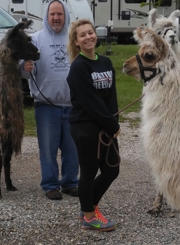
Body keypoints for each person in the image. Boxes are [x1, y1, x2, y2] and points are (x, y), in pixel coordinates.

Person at [20, 0, 80, 200]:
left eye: (60, 14)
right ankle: (50, 184)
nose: (56, 18)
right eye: (52, 14)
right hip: (46, 105)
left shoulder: (74, 39)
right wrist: (25, 69)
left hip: (72, 105)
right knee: (48, 148)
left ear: (65, 16)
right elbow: (23, 71)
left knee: (72, 148)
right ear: (47, 16)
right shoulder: (35, 39)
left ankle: (70, 182)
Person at [65, 19, 120, 232]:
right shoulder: (78, 67)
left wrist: (113, 121)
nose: (88, 37)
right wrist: (110, 123)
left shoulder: (105, 62)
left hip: (106, 125)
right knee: (88, 172)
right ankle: (89, 216)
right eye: (83, 35)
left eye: (91, 33)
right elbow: (90, 102)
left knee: (112, 169)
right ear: (76, 42)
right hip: (85, 127)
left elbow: (110, 96)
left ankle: (88, 205)